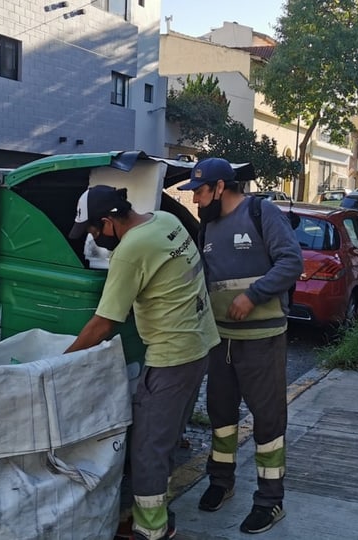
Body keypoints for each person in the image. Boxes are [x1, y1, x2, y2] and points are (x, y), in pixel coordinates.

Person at [64, 185, 220, 540]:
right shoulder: (164, 220)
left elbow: (104, 322)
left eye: (92, 230)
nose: (94, 238)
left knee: (148, 446)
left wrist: (63, 362)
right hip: (199, 345)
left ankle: (151, 530)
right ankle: (149, 513)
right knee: (164, 440)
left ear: (108, 222)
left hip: (171, 356)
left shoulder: (130, 250)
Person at [178, 158, 303, 534]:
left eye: (199, 192)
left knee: (267, 422)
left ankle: (270, 501)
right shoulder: (209, 227)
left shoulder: (260, 211)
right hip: (222, 341)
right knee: (221, 417)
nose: (196, 200)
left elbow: (291, 262)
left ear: (220, 187)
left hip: (262, 340)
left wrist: (252, 296)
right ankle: (221, 481)